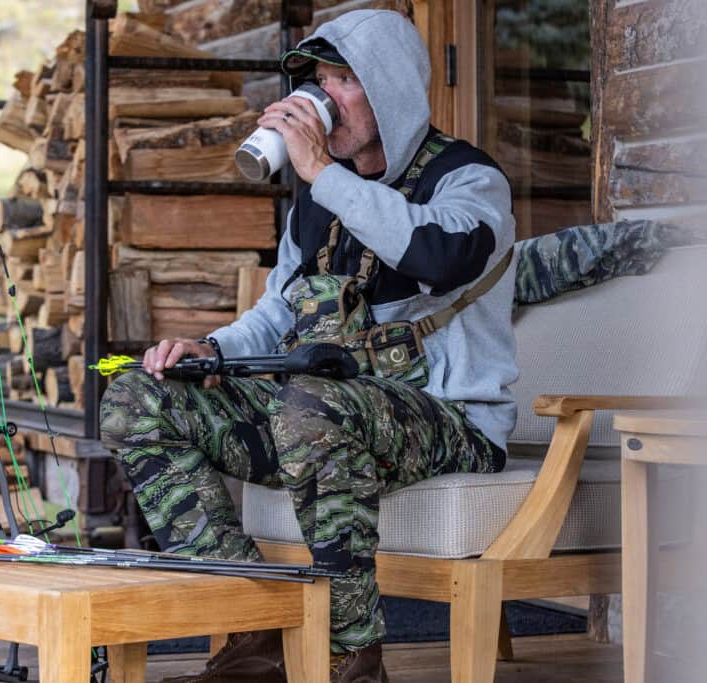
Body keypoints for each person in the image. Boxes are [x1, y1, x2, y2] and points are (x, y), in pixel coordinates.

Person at [100, 9, 517, 682]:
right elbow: (277, 312)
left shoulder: (470, 179)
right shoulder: (320, 197)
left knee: (314, 403)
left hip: (453, 420)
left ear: (390, 89)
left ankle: (350, 654)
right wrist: (209, 348)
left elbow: (439, 256)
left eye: (343, 80)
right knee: (135, 397)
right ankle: (255, 621)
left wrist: (322, 170)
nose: (324, 97)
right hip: (322, 416)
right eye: (320, 79)